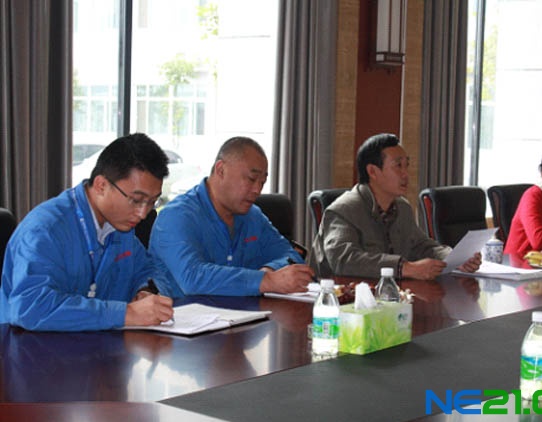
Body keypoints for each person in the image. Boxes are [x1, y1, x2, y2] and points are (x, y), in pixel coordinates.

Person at [0, 133, 175, 331]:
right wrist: (126, 314)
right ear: (101, 185)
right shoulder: (45, 230)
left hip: (96, 344)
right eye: (136, 200)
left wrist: (145, 291)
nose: (143, 213)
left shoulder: (122, 227)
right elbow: (30, 307)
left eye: (152, 202)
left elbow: (149, 270)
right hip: (28, 345)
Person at [149, 136, 314, 296]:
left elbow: (291, 256)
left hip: (248, 312)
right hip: (184, 313)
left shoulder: (252, 216)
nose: (257, 190)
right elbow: (192, 278)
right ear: (221, 170)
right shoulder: (175, 217)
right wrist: (264, 281)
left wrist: (270, 270)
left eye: (262, 182)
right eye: (251, 179)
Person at [310, 133, 481, 280]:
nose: (406, 174)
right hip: (343, 300)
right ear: (372, 171)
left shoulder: (402, 207)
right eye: (398, 166)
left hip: (389, 295)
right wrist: (404, 268)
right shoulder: (343, 210)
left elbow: (420, 245)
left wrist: (454, 258)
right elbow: (344, 260)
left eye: (407, 165)